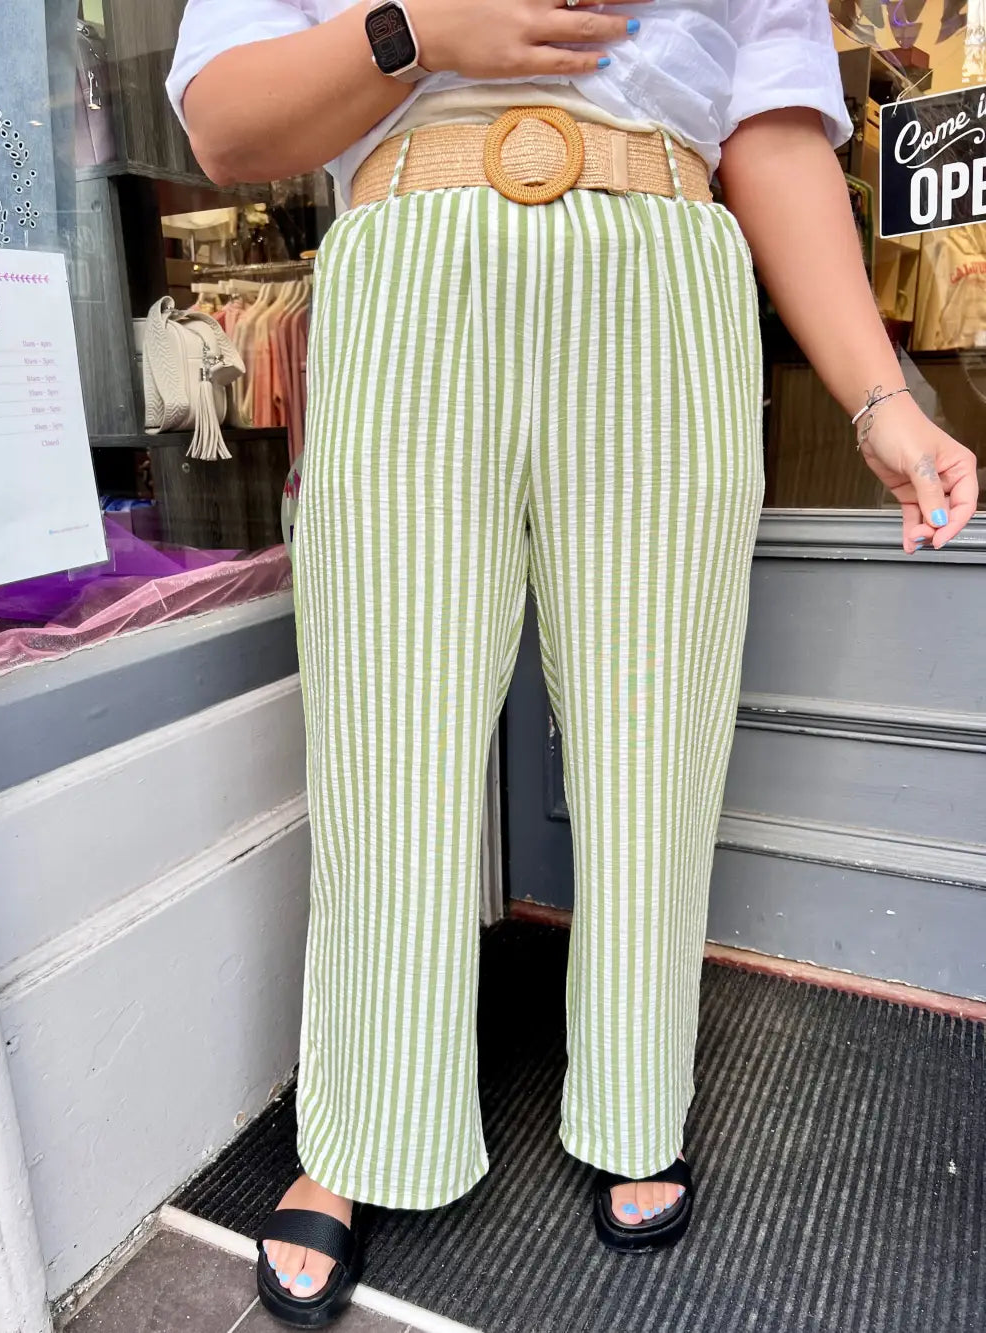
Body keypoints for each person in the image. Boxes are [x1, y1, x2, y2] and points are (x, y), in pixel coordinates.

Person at [167, 1, 980, 1326]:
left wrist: (878, 396)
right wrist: (417, 32)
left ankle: (634, 1098)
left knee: (655, 744)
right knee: (389, 740)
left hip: (662, 272)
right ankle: (367, 1120)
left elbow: (771, 133)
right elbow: (224, 122)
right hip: (411, 271)